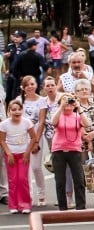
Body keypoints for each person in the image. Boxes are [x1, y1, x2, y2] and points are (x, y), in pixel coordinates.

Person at [50, 93, 90, 210]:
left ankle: (81, 206)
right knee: (60, 180)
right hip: (59, 149)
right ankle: (63, 207)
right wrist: (61, 106)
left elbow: (87, 124)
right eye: (66, 103)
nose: (68, 106)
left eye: (70, 103)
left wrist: (79, 107)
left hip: (75, 150)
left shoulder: (77, 116)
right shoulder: (58, 114)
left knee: (79, 179)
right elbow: (53, 122)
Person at [0, 99, 37, 213]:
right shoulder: (4, 124)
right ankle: (13, 205)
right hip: (11, 155)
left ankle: (25, 204)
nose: (17, 112)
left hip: (23, 154)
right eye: (14, 110)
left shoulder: (27, 122)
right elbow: (2, 140)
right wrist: (8, 153)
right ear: (9, 111)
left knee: (22, 179)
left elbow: (33, 138)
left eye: (19, 109)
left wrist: (27, 152)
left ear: (22, 110)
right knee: (13, 180)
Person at [75, 79, 94, 208]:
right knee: (82, 170)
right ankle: (81, 202)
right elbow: (75, 123)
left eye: (86, 89)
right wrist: (86, 137)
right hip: (81, 142)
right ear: (76, 92)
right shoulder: (75, 107)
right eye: (81, 89)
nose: (84, 91)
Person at [20, 76, 47, 207]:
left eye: (32, 84)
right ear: (23, 87)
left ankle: (41, 194)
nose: (30, 87)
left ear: (36, 85)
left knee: (36, 167)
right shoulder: (19, 100)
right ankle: (27, 195)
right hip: (21, 136)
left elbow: (41, 121)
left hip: (36, 134)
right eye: (27, 85)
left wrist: (36, 140)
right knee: (24, 168)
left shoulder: (42, 101)